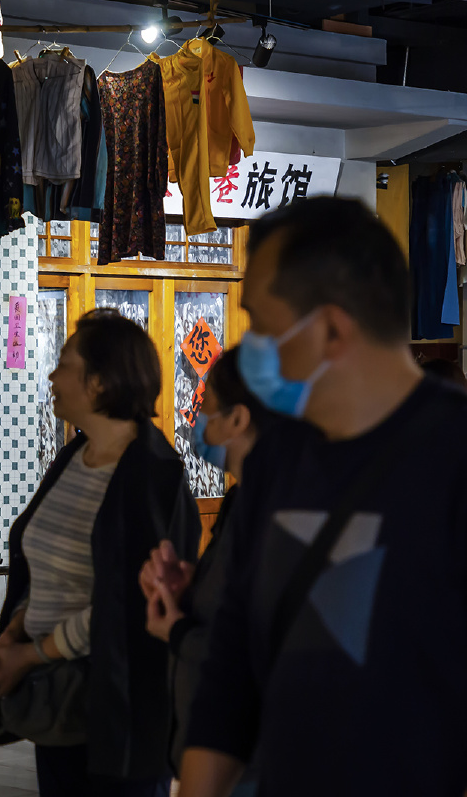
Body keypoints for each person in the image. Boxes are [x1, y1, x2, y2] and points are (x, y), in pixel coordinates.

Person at [178, 197, 467, 797]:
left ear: (332, 329)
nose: (251, 346)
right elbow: (230, 672)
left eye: (262, 325)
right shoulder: (276, 462)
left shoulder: (452, 457)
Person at [0, 309, 202, 797]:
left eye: (64, 365)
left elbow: (130, 605)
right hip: (60, 703)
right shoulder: (72, 458)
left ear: (99, 383)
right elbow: (44, 564)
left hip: (119, 705)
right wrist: (16, 630)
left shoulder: (152, 475)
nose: (52, 377)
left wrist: (31, 655)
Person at [140, 346, 274, 794]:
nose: (197, 419)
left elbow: (250, 650)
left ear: (238, 419)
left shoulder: (275, 514)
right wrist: (191, 586)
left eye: (206, 406)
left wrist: (177, 631)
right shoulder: (242, 500)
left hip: (243, 756)